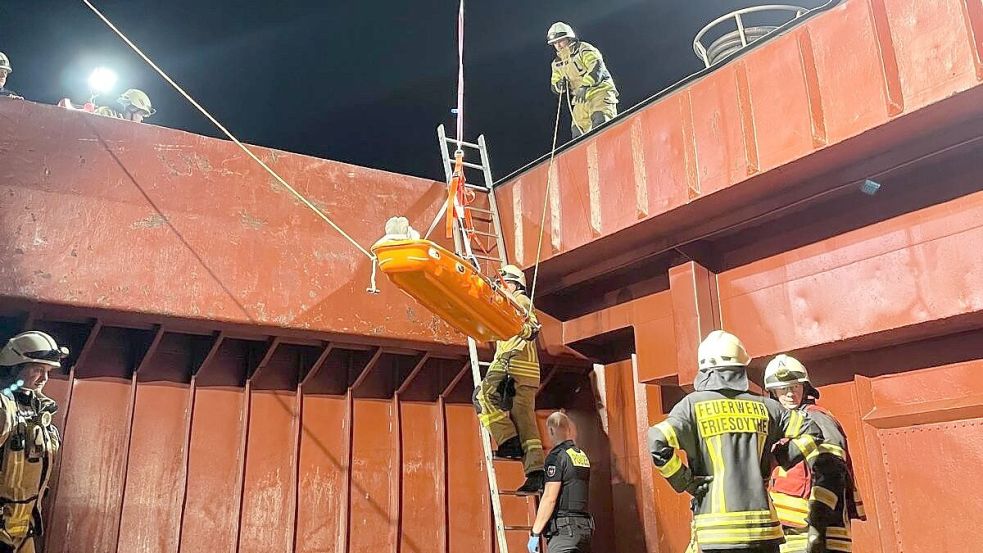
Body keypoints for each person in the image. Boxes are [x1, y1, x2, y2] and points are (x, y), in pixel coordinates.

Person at [648, 330, 845, 553]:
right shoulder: (766, 407)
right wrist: (781, 458)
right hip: (765, 532)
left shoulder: (691, 406)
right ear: (741, 369)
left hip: (716, 533)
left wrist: (685, 481)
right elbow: (812, 432)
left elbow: (657, 441)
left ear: (704, 370)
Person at [764, 355, 864, 553]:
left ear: (805, 388)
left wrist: (817, 527)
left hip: (816, 533)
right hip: (792, 534)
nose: (790, 394)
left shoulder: (816, 419)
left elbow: (832, 473)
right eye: (783, 389)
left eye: (795, 387)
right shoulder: (784, 423)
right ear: (773, 393)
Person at [473, 264, 544, 495]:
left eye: (503, 284)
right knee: (525, 421)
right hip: (527, 373)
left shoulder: (519, 301)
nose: (500, 288)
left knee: (482, 397)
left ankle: (508, 441)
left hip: (511, 366)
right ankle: (536, 473)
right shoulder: (515, 305)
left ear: (513, 284)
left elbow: (528, 323)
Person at [0, 331, 68, 553]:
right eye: (38, 369)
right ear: (16, 366)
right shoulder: (4, 409)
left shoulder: (39, 410)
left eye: (48, 371)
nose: (44, 378)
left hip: (22, 528)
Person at [528, 411, 593, 553]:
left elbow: (550, 498)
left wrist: (535, 532)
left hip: (564, 533)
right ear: (568, 429)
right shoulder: (581, 455)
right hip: (584, 531)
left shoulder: (556, 457)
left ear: (551, 430)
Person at [547, 22, 618, 138]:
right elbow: (554, 84)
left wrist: (585, 86)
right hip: (580, 99)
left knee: (601, 121)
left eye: (560, 41)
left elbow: (596, 67)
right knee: (577, 132)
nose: (558, 45)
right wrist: (559, 86)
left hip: (599, 91)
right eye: (555, 43)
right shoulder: (557, 63)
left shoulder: (584, 49)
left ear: (569, 38)